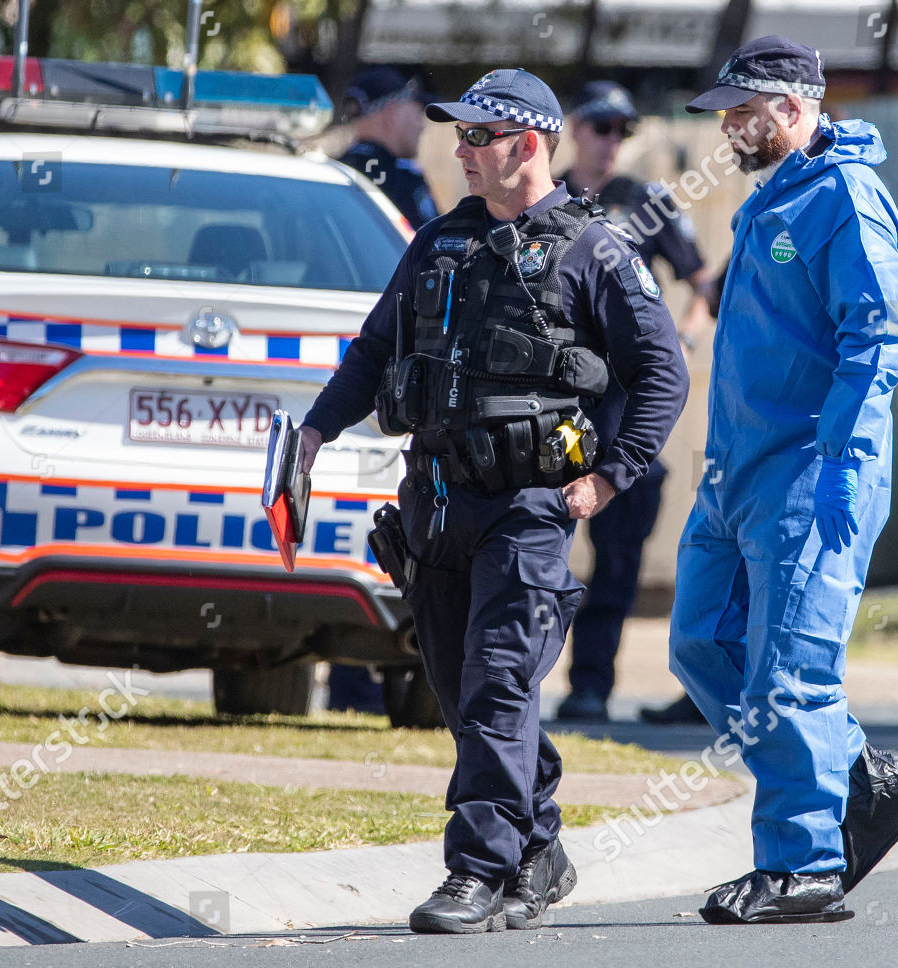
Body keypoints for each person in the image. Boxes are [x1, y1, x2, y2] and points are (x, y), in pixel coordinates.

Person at [300, 68, 688, 933]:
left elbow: (664, 372)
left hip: (530, 509)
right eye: (458, 136)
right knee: (461, 689)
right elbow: (372, 352)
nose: (461, 150)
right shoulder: (439, 243)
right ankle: (539, 846)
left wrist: (612, 474)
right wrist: (316, 433)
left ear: (527, 143)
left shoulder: (596, 250)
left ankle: (474, 870)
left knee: (498, 684)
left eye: (479, 137)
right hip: (434, 504)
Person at [670, 36, 898, 925]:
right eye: (726, 113)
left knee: (789, 676)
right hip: (733, 476)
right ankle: (853, 774)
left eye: (745, 110)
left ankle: (804, 864)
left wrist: (844, 468)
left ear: (794, 107)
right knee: (700, 643)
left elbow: (876, 343)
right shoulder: (773, 196)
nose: (732, 126)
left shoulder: (846, 199)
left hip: (811, 475)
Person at [554, 79, 719, 725]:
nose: (612, 142)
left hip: (621, 406)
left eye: (623, 131)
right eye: (602, 128)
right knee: (536, 541)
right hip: (556, 401)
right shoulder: (550, 196)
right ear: (574, 128)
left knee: (619, 552)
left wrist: (679, 340)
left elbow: (703, 282)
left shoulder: (644, 203)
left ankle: (591, 685)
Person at [328, 68, 444, 716]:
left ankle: (348, 688)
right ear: (383, 109)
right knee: (392, 529)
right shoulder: (399, 185)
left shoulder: (331, 178)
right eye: (414, 107)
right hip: (394, 371)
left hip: (341, 368)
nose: (422, 122)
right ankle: (374, 684)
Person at [338, 67, 440, 232]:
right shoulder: (404, 180)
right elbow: (430, 246)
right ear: (392, 113)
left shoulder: (333, 172)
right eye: (418, 112)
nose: (422, 125)